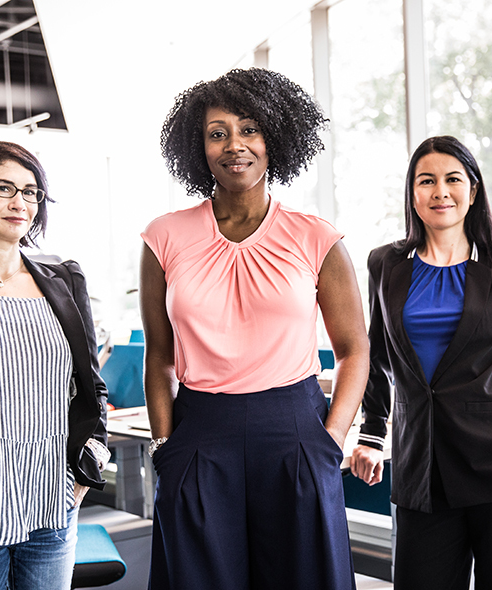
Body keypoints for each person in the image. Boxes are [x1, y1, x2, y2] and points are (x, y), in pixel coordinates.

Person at [140, 68, 369, 590]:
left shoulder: (316, 237)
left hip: (295, 430)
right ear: (198, 147)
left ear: (275, 138)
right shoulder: (163, 236)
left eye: (249, 129)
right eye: (217, 133)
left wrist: (331, 440)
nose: (234, 145)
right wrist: (163, 445)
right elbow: (160, 356)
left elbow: (355, 350)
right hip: (199, 431)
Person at [0, 141, 110, 590]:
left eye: (32, 191)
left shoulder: (65, 279)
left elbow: (90, 389)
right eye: (4, 188)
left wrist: (86, 469)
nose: (20, 202)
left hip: (53, 502)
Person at [350, 135, 492, 590]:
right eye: (426, 181)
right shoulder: (386, 264)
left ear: (473, 189)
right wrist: (371, 435)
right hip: (420, 466)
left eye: (453, 179)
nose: (440, 192)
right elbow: (374, 355)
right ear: (412, 193)